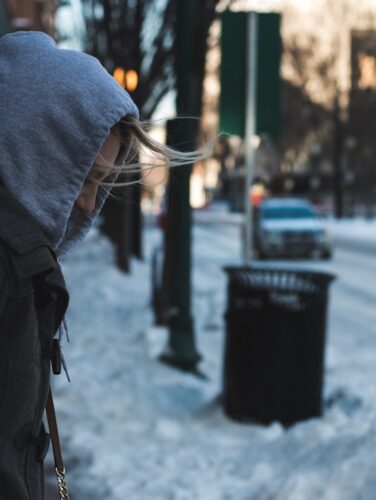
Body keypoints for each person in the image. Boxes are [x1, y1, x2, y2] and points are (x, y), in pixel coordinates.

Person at [0, 31, 204, 499]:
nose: (90, 203)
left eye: (102, 182)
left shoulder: (21, 259)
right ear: (38, 151)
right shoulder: (7, 266)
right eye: (84, 176)